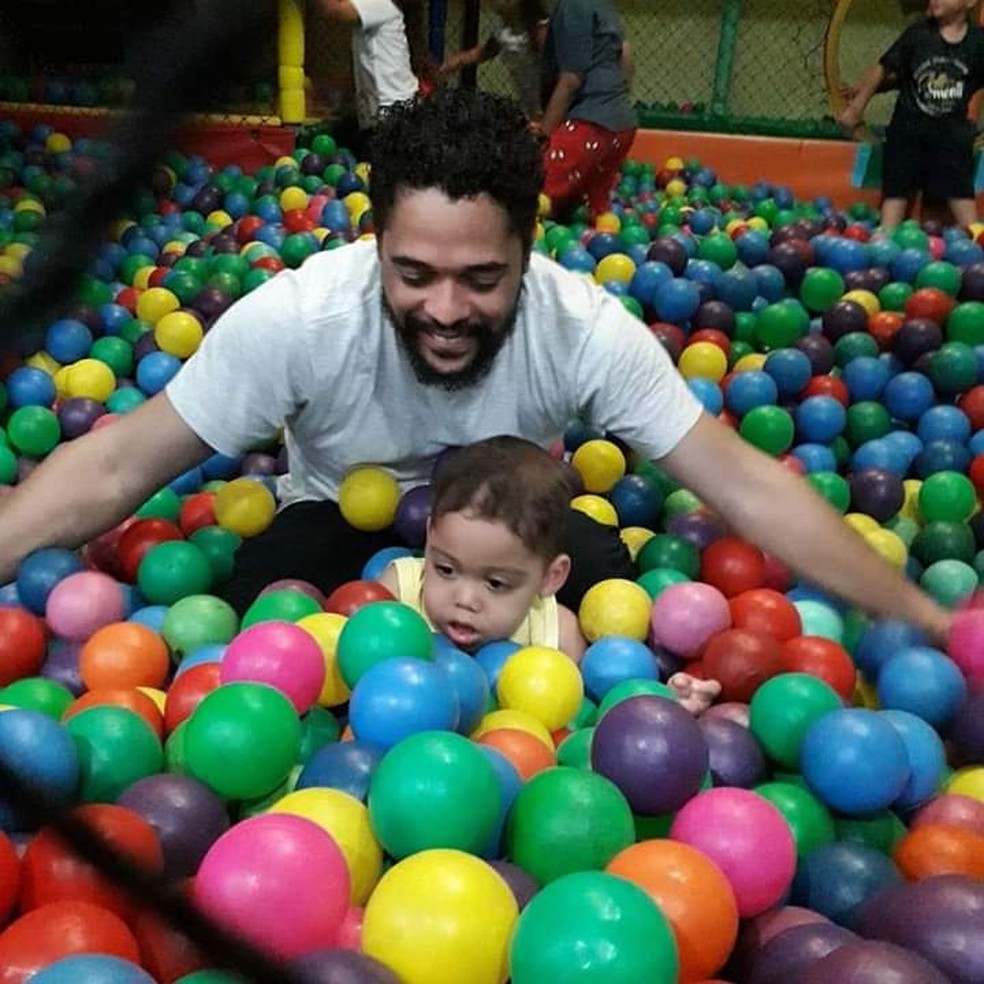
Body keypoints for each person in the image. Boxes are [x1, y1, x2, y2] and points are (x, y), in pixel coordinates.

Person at [0, 88, 952, 652]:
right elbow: (121, 463)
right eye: (413, 274)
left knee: (630, 631)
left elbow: (743, 481)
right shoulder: (299, 315)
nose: (446, 311)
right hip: (335, 520)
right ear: (375, 244)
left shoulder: (580, 326)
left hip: (517, 532)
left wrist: (920, 615)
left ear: (529, 252)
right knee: (273, 627)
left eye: (480, 278)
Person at [378, 435, 722, 713]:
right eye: (446, 569)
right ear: (428, 541)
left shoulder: (557, 634)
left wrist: (662, 704)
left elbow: (600, 705)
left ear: (550, 578)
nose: (465, 600)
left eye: (496, 583)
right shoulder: (396, 598)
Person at [837, 0, 984, 230]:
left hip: (951, 139)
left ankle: (975, 239)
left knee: (960, 198)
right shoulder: (918, 34)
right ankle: (886, 236)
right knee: (896, 194)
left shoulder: (978, 43)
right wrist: (856, 108)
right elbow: (884, 68)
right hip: (908, 133)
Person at [538, 0, 636, 221]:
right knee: (594, 212)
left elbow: (571, 80)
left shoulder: (572, 7)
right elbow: (626, 59)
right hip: (622, 126)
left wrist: (544, 134)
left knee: (535, 197)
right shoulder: (604, 6)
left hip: (588, 125)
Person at [318, 0, 430, 158]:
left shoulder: (381, 4)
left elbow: (334, 10)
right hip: (386, 116)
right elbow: (364, 68)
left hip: (395, 115)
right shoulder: (371, 14)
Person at [439, 0, 548, 121]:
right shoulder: (500, 26)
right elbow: (488, 50)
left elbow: (551, 64)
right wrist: (460, 60)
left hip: (546, 99)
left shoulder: (537, 28)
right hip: (528, 100)